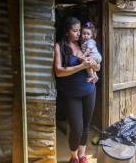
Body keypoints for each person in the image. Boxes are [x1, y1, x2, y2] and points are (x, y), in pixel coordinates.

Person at [54, 17, 100, 163]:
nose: (79, 34)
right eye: (75, 31)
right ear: (67, 32)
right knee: (77, 129)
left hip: (89, 90)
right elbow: (59, 71)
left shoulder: (83, 44)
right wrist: (81, 66)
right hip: (71, 94)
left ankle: (82, 155)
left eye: (79, 30)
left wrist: (95, 67)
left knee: (86, 125)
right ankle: (73, 157)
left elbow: (95, 64)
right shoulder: (59, 47)